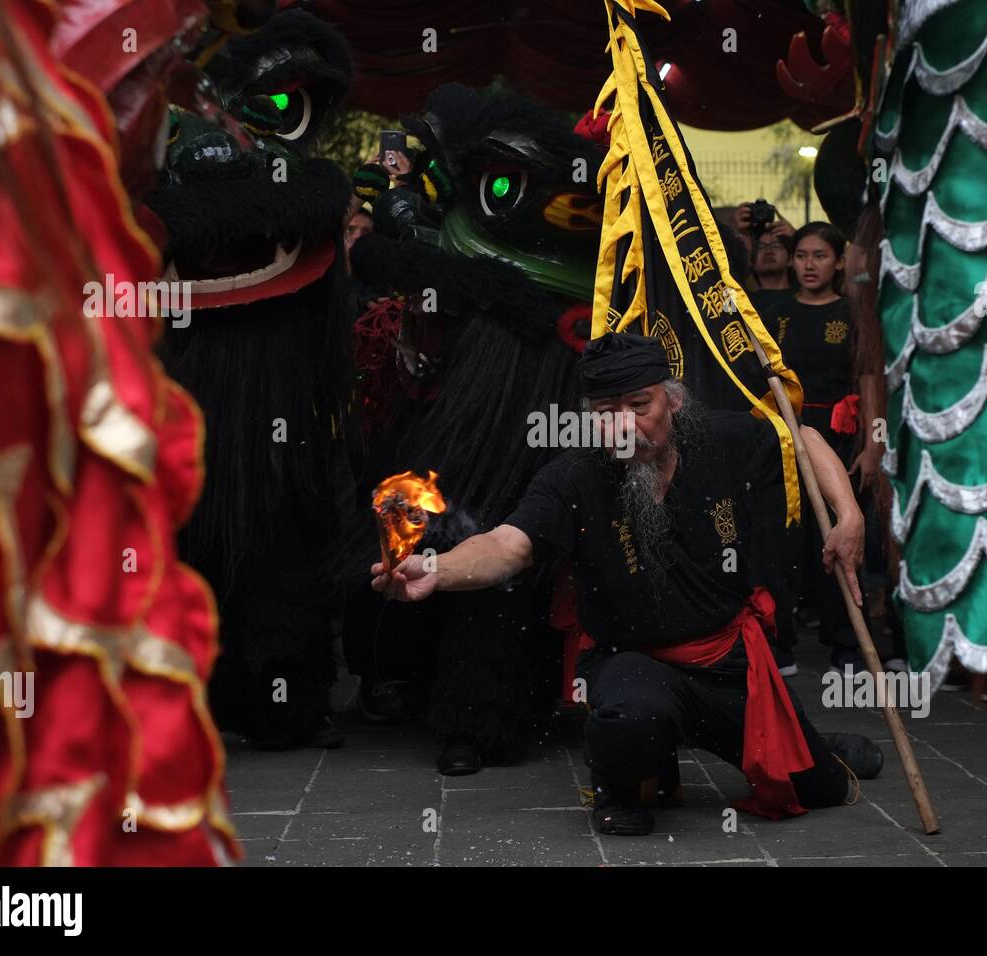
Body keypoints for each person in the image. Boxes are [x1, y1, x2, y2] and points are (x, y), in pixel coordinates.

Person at [371, 333, 883, 835]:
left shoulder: (722, 440)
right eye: (604, 411)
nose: (623, 426)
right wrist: (434, 571)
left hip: (728, 661)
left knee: (821, 790)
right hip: (633, 662)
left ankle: (818, 745)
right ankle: (620, 789)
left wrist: (849, 515)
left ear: (673, 400)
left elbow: (803, 437)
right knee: (630, 715)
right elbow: (508, 545)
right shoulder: (572, 477)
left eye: (640, 405)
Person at [760, 221, 877, 673]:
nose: (810, 265)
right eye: (803, 255)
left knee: (841, 535)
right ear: (792, 261)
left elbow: (869, 381)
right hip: (786, 434)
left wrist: (873, 446)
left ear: (839, 262)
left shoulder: (852, 314)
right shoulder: (774, 312)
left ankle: (848, 644)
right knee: (782, 540)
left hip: (839, 437)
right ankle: (780, 642)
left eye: (821, 256)